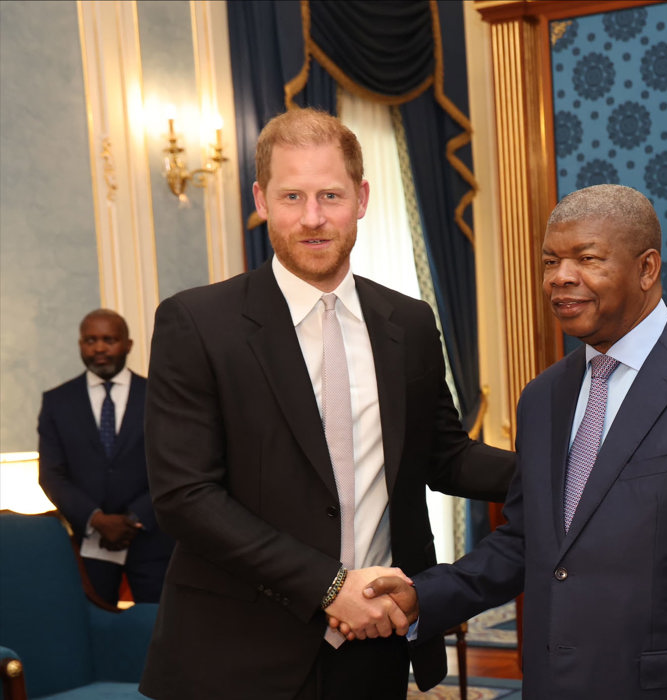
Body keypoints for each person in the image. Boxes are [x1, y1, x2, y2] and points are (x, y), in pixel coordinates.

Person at [352, 184, 667, 699]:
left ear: (647, 268)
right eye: (551, 261)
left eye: (587, 258)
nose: (561, 278)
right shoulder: (543, 397)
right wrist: (423, 596)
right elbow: (528, 541)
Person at [138, 107, 514, 700]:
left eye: (331, 195)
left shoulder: (409, 323)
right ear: (261, 199)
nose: (313, 218)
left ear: (362, 198)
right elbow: (186, 497)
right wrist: (328, 584)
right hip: (234, 658)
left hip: (374, 648)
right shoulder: (197, 323)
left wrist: (564, 467)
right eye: (292, 196)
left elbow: (443, 455)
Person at [38, 309, 173, 605]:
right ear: (80, 345)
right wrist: (97, 519)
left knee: (161, 629)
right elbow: (51, 474)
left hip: (153, 539)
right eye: (90, 340)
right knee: (94, 632)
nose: (99, 347)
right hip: (90, 543)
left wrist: (134, 518)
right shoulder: (57, 401)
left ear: (128, 344)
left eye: (109, 339)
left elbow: (175, 466)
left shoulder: (160, 396)